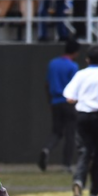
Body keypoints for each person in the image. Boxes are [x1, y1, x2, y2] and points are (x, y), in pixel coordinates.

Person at [63, 44, 98, 196]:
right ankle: (95, 193)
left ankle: (79, 181)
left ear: (87, 59)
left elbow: (69, 96)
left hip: (82, 115)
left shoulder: (81, 74)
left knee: (84, 151)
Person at [40, 38, 81, 172]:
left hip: (55, 102)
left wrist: (50, 101)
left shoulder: (53, 63)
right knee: (70, 134)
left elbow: (47, 84)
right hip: (69, 103)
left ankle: (46, 149)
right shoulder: (73, 66)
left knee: (56, 132)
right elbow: (75, 87)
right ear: (75, 52)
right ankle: (66, 164)